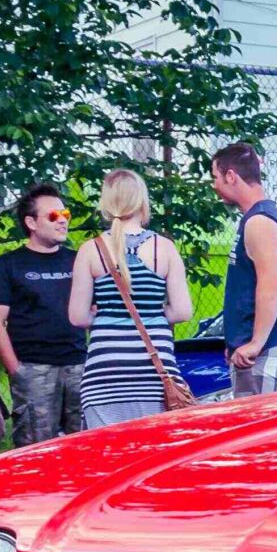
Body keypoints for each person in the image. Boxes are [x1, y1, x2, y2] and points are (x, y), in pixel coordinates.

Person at [69, 169, 193, 428]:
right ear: (142, 202)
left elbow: (78, 316)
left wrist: (106, 316)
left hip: (104, 376)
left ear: (106, 203)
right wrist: (153, 315)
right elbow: (182, 312)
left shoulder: (91, 250)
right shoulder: (164, 248)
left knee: (107, 458)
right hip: (155, 377)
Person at [0, 183, 85, 444]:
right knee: (37, 449)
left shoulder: (79, 260)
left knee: (87, 445)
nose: (62, 221)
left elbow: (96, 311)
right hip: (33, 370)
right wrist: (16, 371)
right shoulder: (9, 264)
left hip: (79, 367)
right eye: (53, 216)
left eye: (66, 215)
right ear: (30, 222)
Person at [208, 142, 277, 396]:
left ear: (231, 176)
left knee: (262, 426)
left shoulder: (260, 223)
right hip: (252, 351)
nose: (214, 185)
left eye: (215, 177)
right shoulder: (254, 219)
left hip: (265, 350)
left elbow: (271, 287)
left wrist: (256, 343)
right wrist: (238, 341)